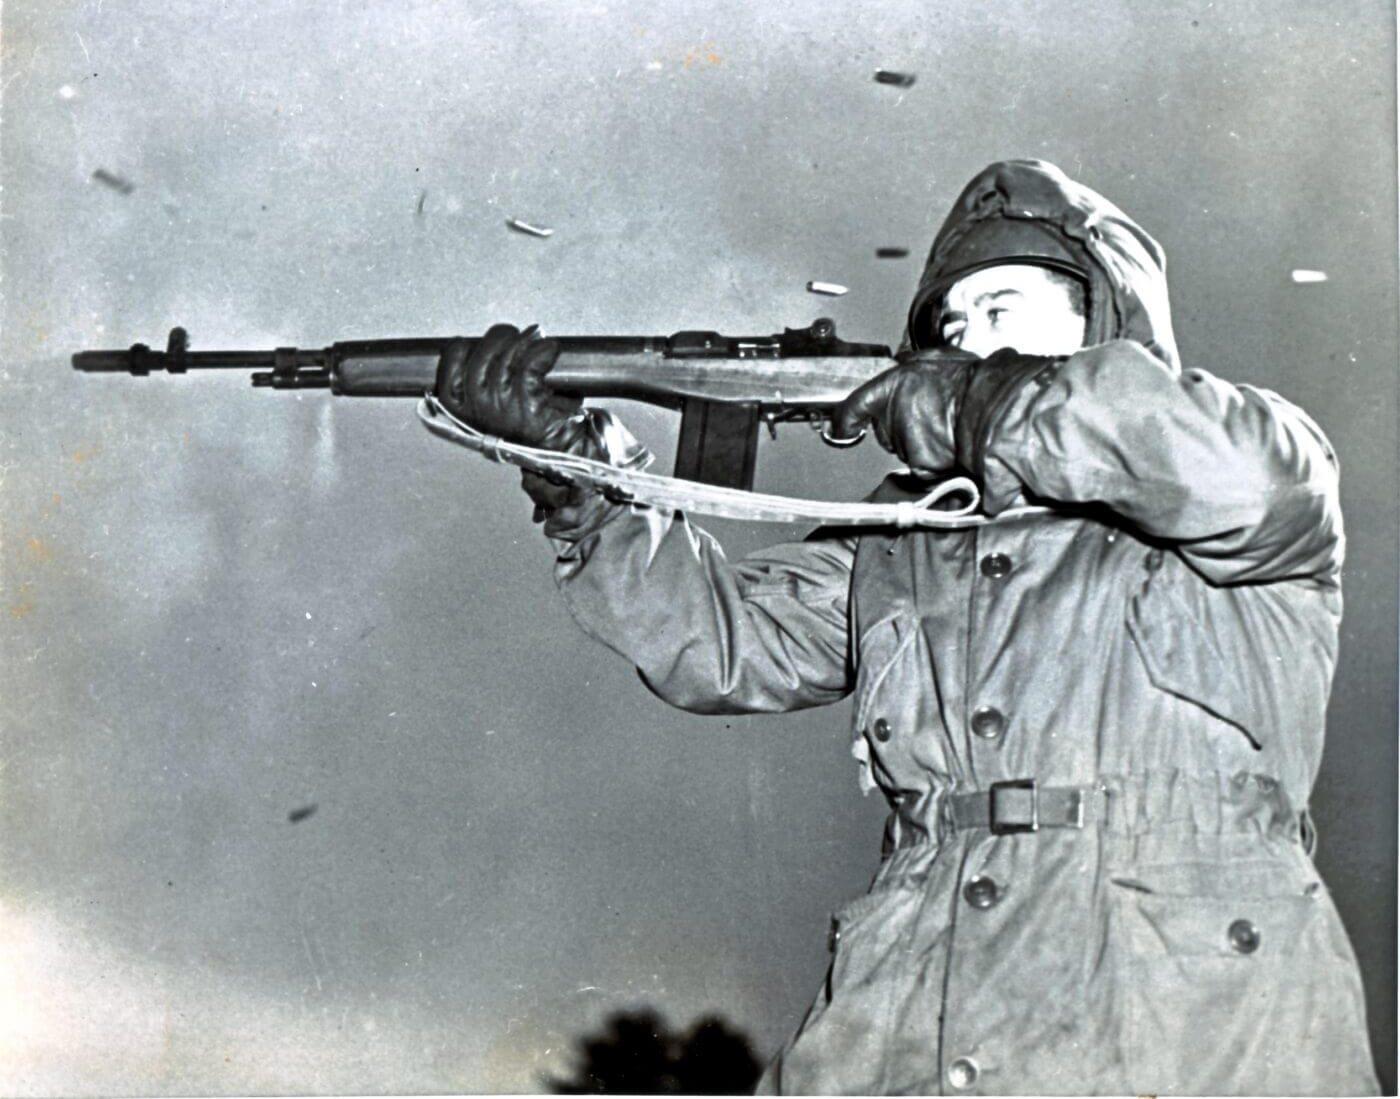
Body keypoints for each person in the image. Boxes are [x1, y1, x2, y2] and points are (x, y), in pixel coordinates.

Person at [432, 159, 1379, 1095]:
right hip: (924, 997)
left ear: (1107, 316)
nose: (969, 344)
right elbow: (727, 645)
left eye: (1003, 310)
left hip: (1187, 1022)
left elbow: (1227, 475)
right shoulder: (916, 528)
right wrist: (587, 480)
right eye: (955, 327)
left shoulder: (1253, 463)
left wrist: (980, 409)